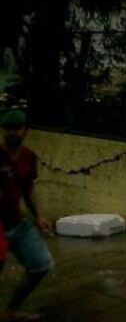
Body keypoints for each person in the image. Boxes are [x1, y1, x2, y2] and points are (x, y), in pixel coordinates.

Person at [0, 110, 53, 322]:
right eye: (7, 129)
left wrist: (39, 216)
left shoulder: (29, 157)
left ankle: (10, 310)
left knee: (41, 264)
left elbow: (28, 188)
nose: (11, 133)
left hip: (17, 221)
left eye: (16, 129)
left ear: (26, 130)